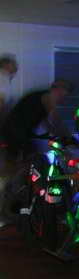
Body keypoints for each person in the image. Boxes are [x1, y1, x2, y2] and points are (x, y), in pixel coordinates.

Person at [0, 55, 19, 228]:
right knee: (4, 176)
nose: (17, 68)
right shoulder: (3, 78)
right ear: (6, 65)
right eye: (14, 65)